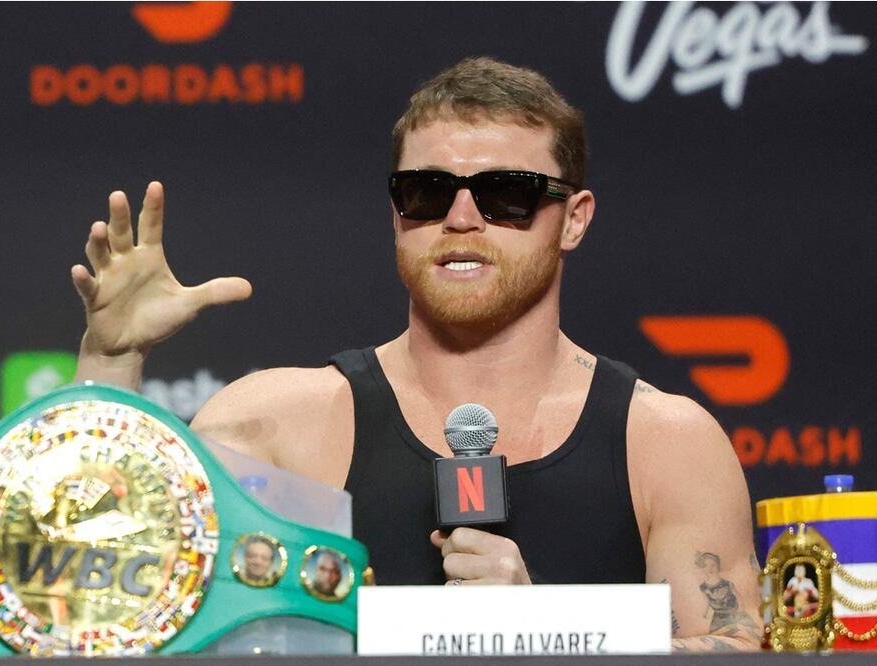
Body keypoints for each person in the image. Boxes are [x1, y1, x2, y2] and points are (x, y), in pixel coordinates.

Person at [70, 57, 762, 651]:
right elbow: (110, 604)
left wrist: (544, 625)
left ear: (573, 220)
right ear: (396, 213)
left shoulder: (668, 444)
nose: (461, 219)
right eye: (427, 193)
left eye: (506, 195)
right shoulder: (276, 425)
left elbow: (732, 647)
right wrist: (109, 364)